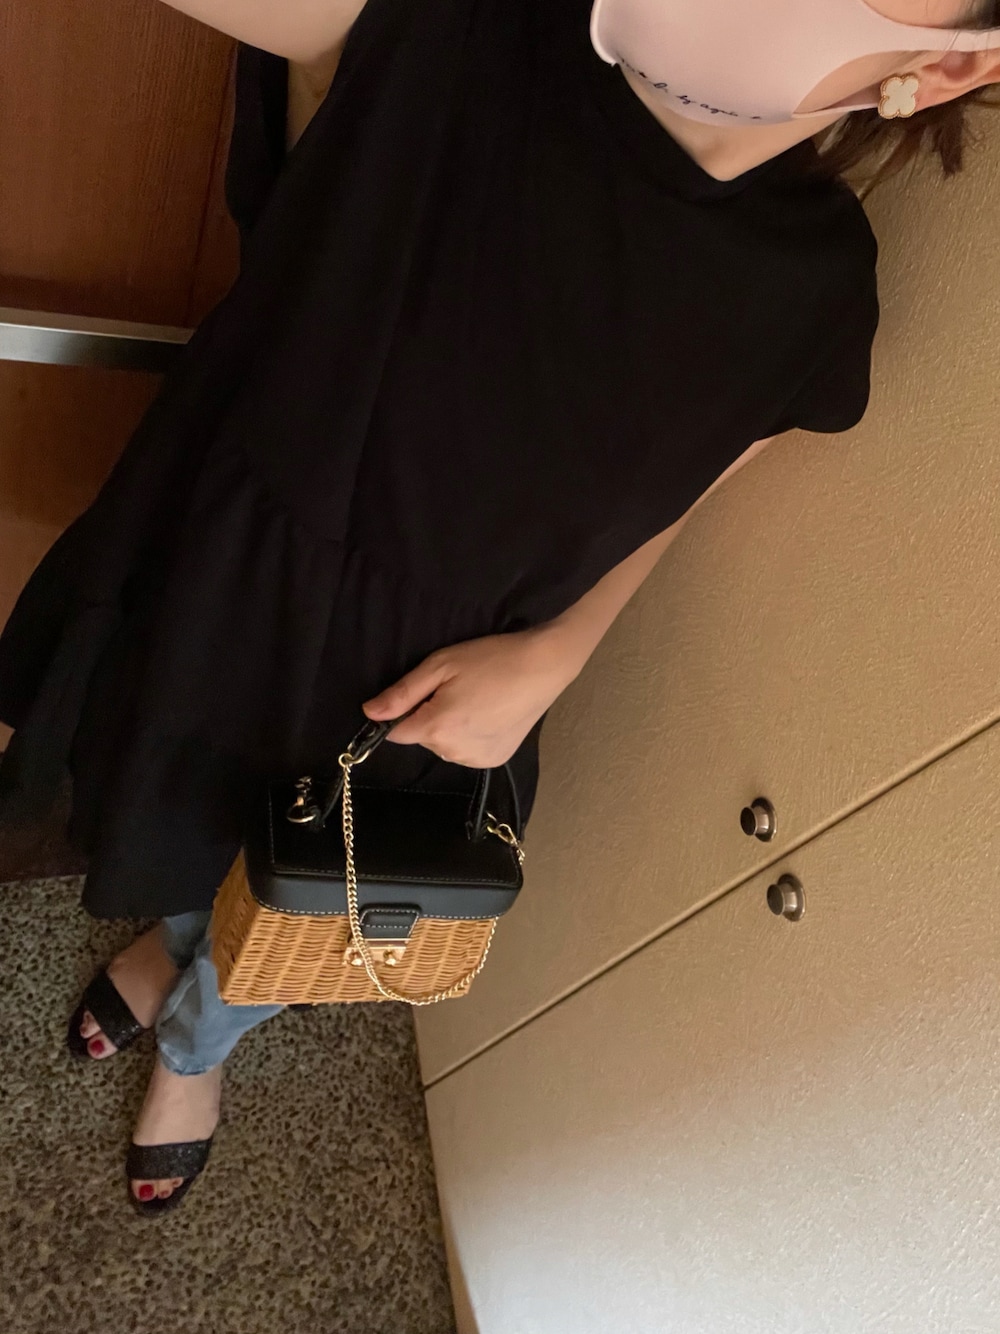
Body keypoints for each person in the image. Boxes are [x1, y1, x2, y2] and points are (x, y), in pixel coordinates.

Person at [1, 0, 998, 1216]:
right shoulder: (462, 26)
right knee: (178, 816)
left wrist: (562, 649)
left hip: (442, 680)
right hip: (234, 576)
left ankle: (199, 1044)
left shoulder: (817, 286)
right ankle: (168, 941)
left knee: (321, 890)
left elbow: (714, 462)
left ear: (952, 59)